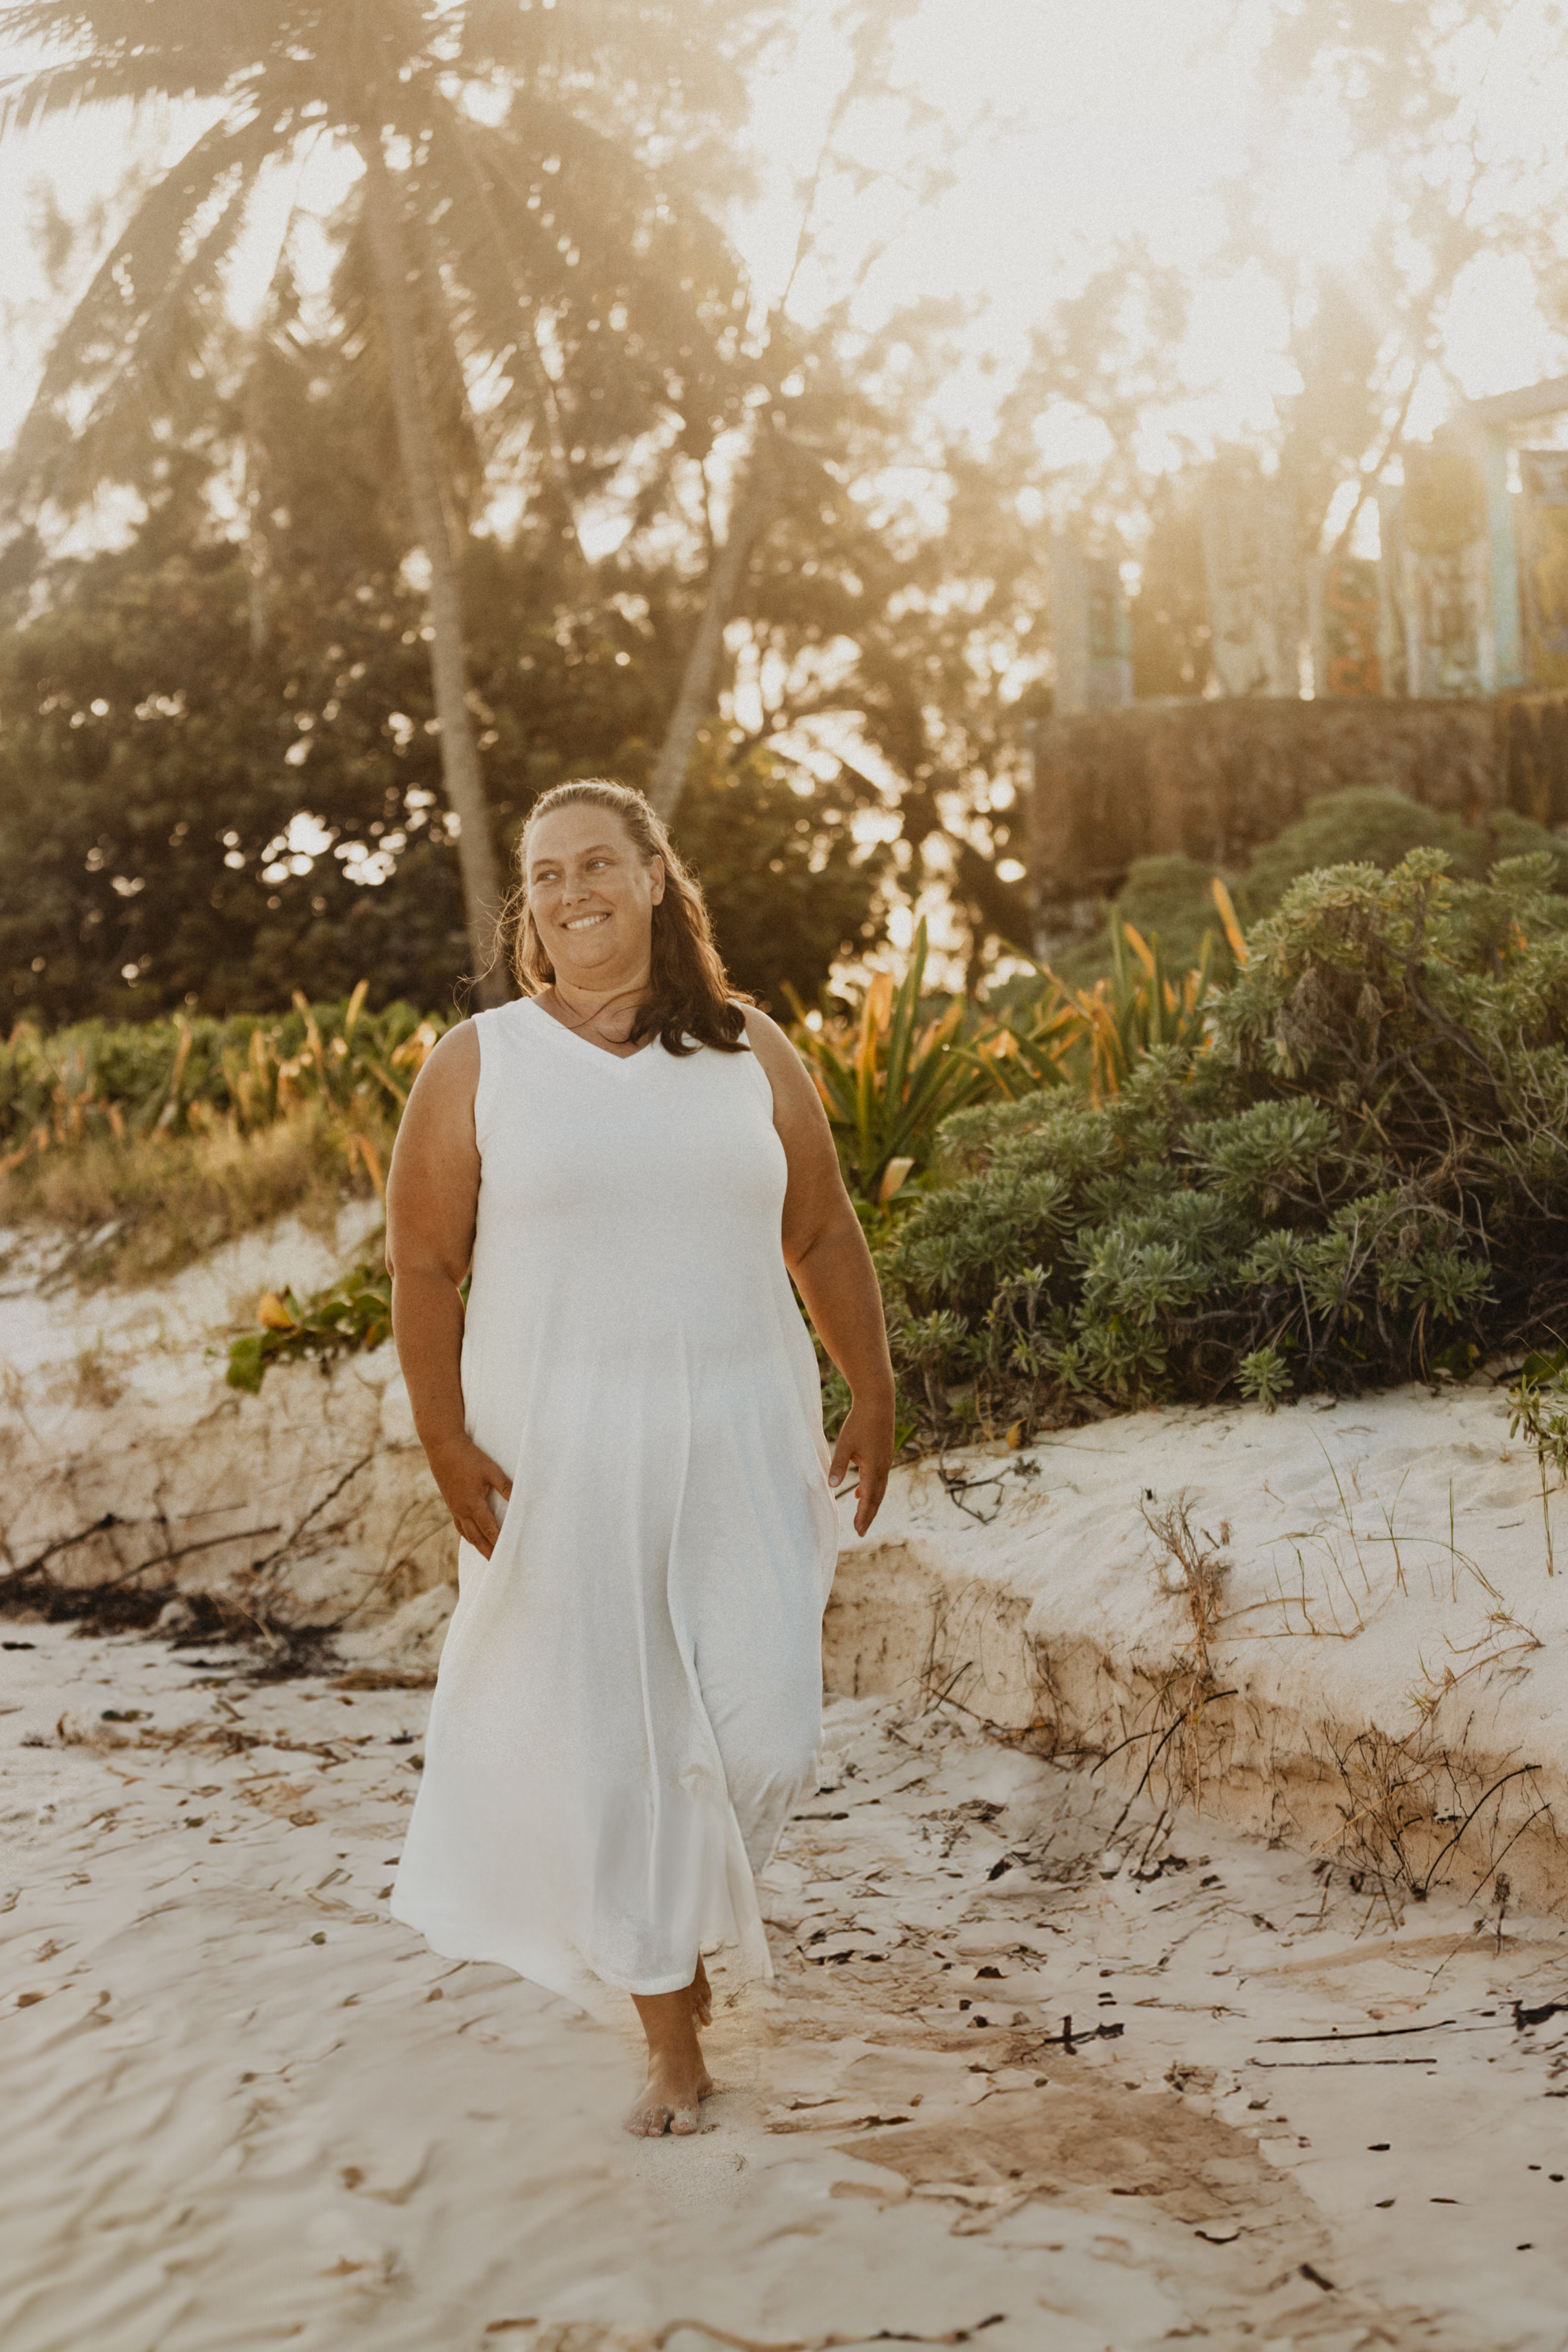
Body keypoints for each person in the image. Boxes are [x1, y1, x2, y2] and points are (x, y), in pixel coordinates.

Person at [385, 778, 894, 2136]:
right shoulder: (481, 1058)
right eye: (543, 874)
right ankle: (669, 2023)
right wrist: (443, 1437)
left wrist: (872, 1383)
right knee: (618, 1746)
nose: (567, 892)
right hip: (557, 1456)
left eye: (596, 863)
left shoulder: (748, 1048)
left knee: (766, 1725)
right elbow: (424, 1259)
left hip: (740, 1432)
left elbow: (825, 1227)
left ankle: (670, 1932)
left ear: (656, 877)